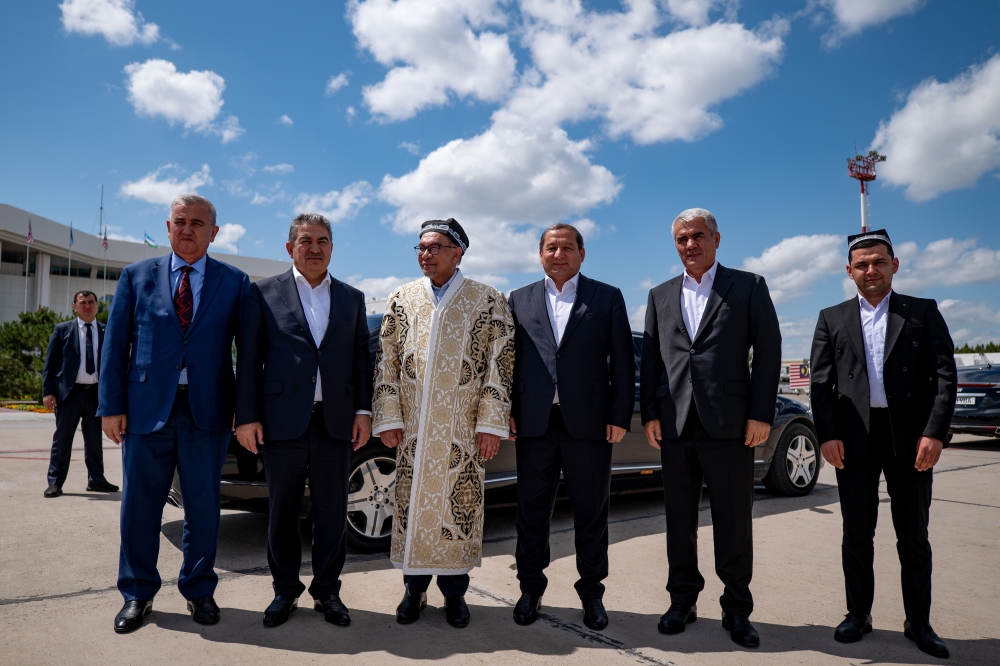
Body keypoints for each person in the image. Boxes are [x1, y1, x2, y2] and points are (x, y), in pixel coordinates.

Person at [98, 194, 250, 634]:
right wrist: (111, 407)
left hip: (209, 412)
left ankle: (199, 589)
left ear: (213, 232)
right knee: (139, 509)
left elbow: (249, 351)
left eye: (198, 223)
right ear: (167, 228)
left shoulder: (235, 282)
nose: (188, 229)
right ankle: (137, 594)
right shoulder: (135, 276)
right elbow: (116, 345)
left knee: (203, 509)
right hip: (147, 411)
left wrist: (245, 410)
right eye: (180, 221)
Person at [810, 229, 955, 659]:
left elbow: (945, 375)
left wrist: (934, 433)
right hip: (853, 441)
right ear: (849, 270)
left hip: (910, 440)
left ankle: (919, 622)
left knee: (913, 535)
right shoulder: (830, 317)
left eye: (879, 262)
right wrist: (828, 434)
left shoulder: (922, 312)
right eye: (862, 264)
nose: (870, 270)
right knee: (857, 534)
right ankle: (859, 614)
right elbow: (821, 384)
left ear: (895, 264)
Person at [639, 208, 780, 648]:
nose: (689, 245)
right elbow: (652, 360)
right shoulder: (660, 294)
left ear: (717, 239)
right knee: (678, 520)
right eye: (681, 239)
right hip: (676, 426)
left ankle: (737, 609)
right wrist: (650, 414)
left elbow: (769, 350)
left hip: (731, 425)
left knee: (733, 521)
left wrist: (761, 413)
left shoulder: (748, 286)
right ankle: (682, 600)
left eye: (698, 236)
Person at [372, 218, 514, 629]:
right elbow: (387, 361)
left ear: (458, 252)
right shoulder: (402, 298)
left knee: (458, 513)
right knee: (413, 511)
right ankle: (413, 591)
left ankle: (455, 596)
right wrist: (388, 416)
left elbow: (500, 365)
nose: (425, 255)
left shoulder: (488, 300)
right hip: (414, 432)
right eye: (420, 248)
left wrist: (490, 423)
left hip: (461, 433)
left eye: (435, 247)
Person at [234, 213, 372, 628]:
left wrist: (364, 411)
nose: (315, 247)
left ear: (332, 247)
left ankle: (328, 592)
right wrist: (247, 417)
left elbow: (360, 360)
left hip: (335, 423)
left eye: (323, 240)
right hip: (281, 422)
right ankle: (284, 592)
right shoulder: (261, 293)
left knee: (332, 512)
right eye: (306, 240)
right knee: (282, 511)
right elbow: (249, 359)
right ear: (290, 246)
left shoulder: (352, 297)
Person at [506, 223, 633, 630]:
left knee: (591, 512)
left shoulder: (607, 297)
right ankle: (530, 588)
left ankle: (592, 592)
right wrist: (505, 410)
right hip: (534, 423)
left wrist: (618, 415)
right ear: (540, 254)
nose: (558, 254)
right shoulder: (518, 299)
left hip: (590, 424)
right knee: (531, 510)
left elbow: (623, 362)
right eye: (550, 247)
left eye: (566, 247)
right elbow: (508, 362)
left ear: (582, 253)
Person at [41, 291, 118, 498]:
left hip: (96, 394)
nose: (87, 306)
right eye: (82, 303)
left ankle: (96, 480)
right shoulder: (62, 329)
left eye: (91, 302)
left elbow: (115, 365)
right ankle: (55, 482)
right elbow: (50, 364)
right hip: (69, 394)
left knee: (94, 440)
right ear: (74, 306)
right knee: (63, 439)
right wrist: (48, 392)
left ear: (97, 307)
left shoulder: (106, 331)